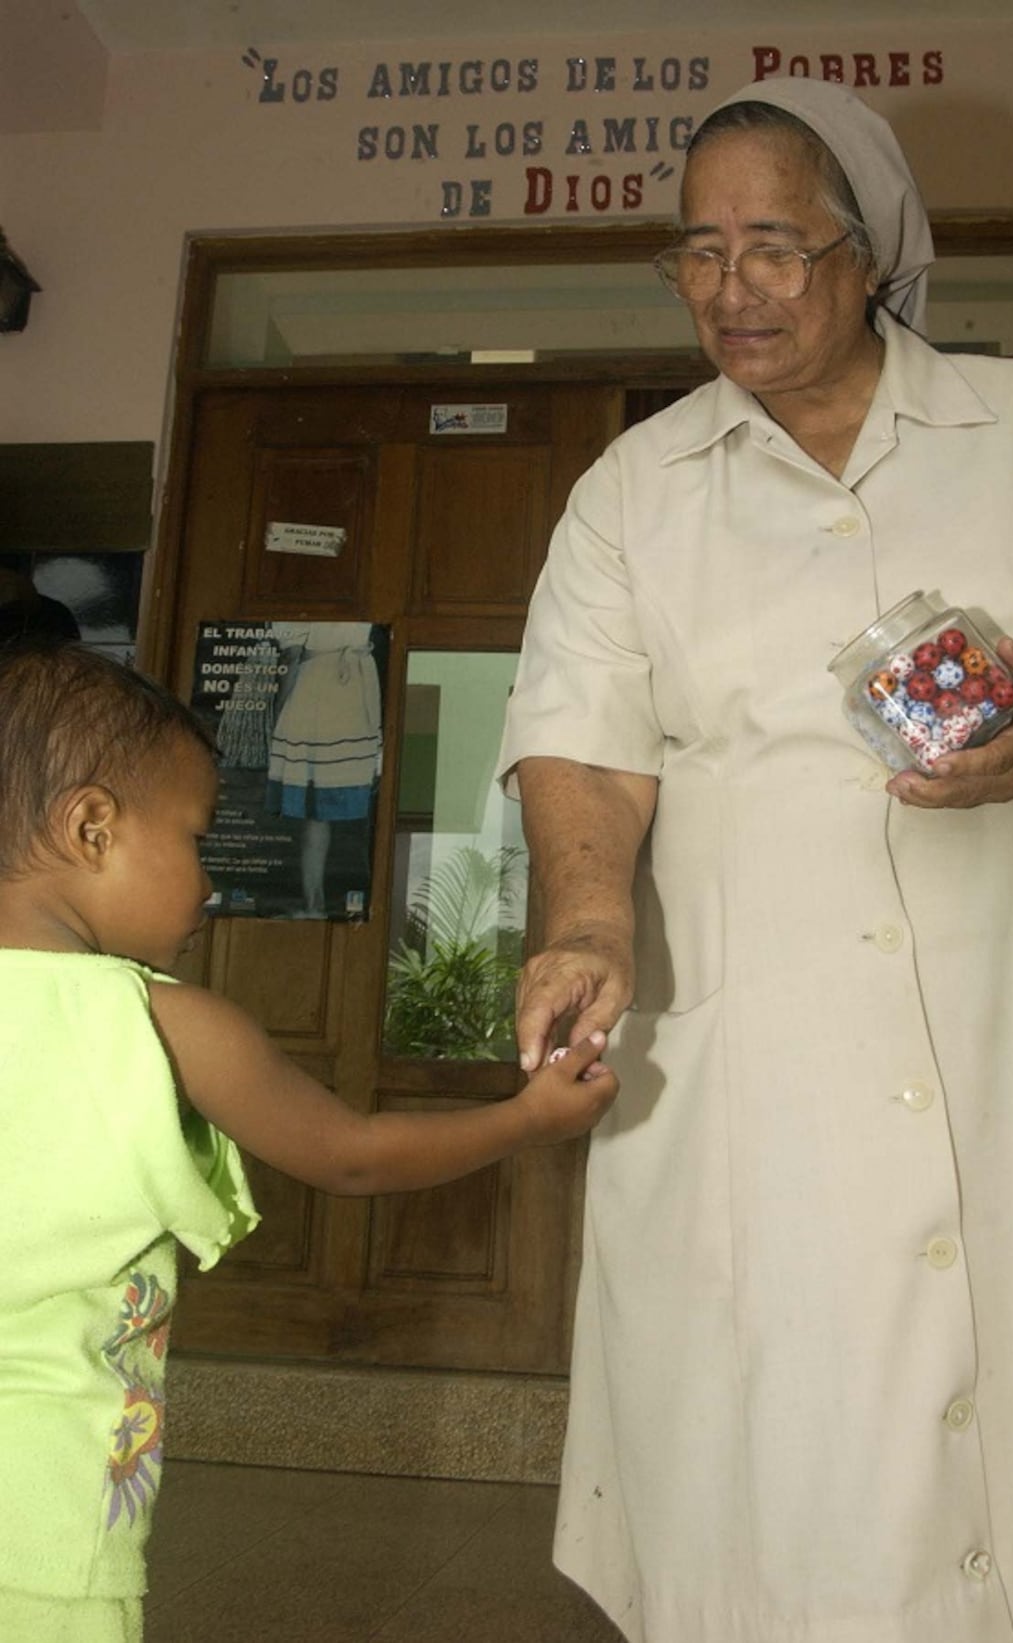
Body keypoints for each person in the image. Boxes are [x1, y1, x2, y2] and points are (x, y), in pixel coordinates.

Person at [497, 73, 1013, 1643]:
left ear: (866, 251)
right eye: (697, 249)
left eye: (772, 244)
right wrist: (590, 921)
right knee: (789, 1458)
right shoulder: (634, 491)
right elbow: (582, 741)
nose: (730, 286)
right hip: (765, 1035)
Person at [0, 641, 617, 1643]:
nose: (211, 882)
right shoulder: (158, 1022)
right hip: (42, 1509)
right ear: (91, 825)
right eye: (198, 838)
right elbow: (353, 1153)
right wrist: (530, 1116)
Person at [264, 620, 383, 917]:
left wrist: (278, 710)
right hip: (355, 687)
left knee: (317, 810)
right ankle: (332, 902)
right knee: (340, 800)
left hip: (317, 692)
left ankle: (316, 903)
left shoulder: (298, 608)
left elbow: (291, 658)